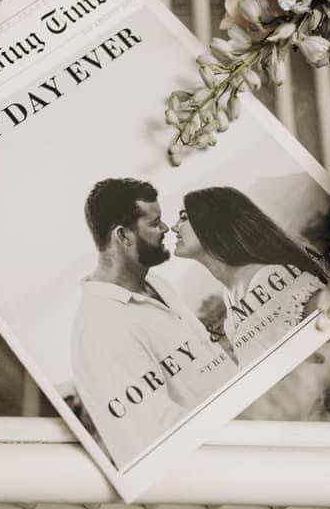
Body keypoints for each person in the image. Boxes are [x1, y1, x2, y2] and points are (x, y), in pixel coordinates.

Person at [71, 178, 235, 468]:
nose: (165, 229)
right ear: (123, 236)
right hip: (223, 468)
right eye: (154, 222)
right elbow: (156, 437)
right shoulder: (102, 329)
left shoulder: (156, 283)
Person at [171, 186, 326, 367]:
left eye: (183, 217)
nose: (174, 227)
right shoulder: (230, 296)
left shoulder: (272, 277)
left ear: (213, 223)